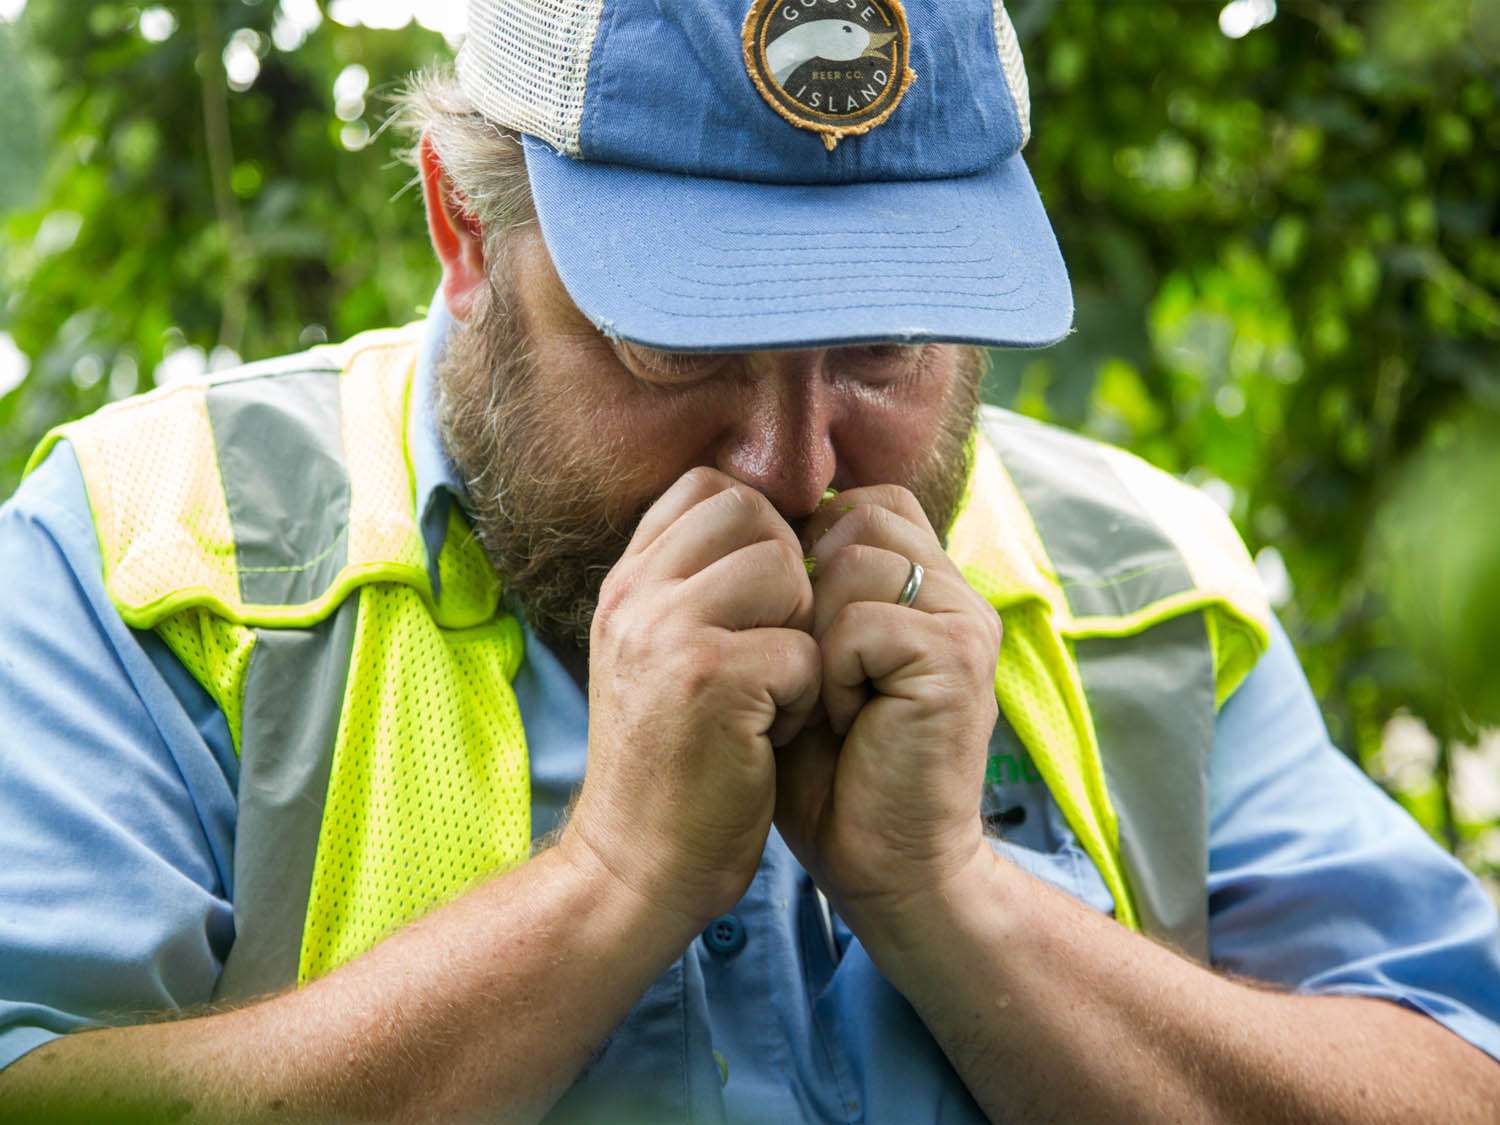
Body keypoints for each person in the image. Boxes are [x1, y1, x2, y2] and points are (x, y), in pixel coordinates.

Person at [1, 1, 1498, 1121]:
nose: (795, 466)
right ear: (464, 228)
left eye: (886, 342)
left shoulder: (1146, 590)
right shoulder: (154, 553)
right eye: (677, 340)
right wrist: (607, 885)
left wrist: (957, 899)